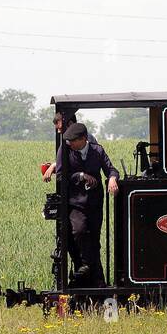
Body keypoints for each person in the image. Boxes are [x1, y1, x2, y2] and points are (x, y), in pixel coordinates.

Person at [56, 122, 120, 288]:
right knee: (79, 230)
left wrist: (112, 178)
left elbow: (111, 169)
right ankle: (86, 267)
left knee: (94, 241)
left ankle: (94, 280)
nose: (69, 143)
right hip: (75, 203)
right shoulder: (65, 150)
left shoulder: (97, 151)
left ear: (83, 139)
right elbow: (61, 176)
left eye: (73, 140)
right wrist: (81, 175)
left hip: (94, 204)